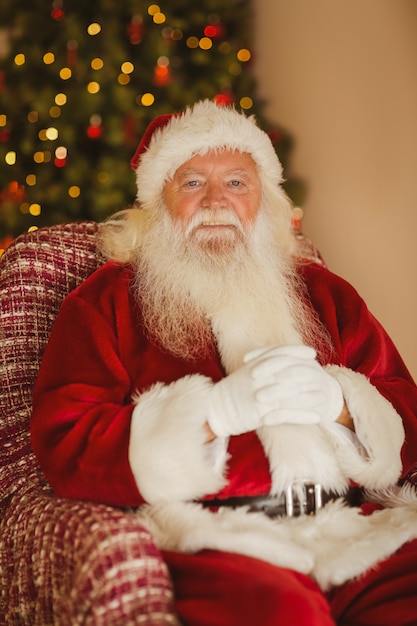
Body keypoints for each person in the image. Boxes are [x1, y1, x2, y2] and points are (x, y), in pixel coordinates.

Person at [31, 100, 417, 625]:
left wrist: (342, 405)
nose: (216, 200)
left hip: (351, 530)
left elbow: (405, 407)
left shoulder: (326, 294)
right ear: (158, 201)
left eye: (237, 182)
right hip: (218, 540)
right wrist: (213, 416)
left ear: (264, 201)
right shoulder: (105, 302)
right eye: (191, 182)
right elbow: (65, 438)